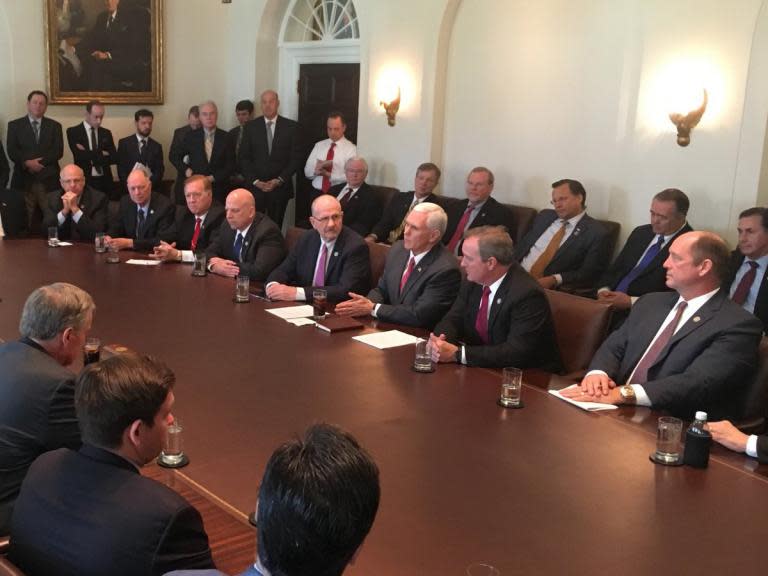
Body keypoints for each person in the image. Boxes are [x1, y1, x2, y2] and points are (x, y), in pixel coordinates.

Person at [8, 354, 216, 575]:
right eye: (165, 415)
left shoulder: (44, 466)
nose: (172, 420)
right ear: (137, 432)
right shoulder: (168, 516)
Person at [562, 231, 763, 420]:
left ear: (704, 267)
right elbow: (614, 346)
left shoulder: (738, 324)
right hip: (611, 409)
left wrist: (623, 394)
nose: (666, 264)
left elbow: (698, 383)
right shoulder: (650, 302)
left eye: (676, 258)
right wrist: (598, 374)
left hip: (669, 422)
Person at [0, 282, 94, 535]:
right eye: (85, 332)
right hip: (9, 511)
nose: (85, 341)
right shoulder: (58, 384)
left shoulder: (4, 351)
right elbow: (90, 451)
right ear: (68, 336)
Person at [430, 226, 561, 370]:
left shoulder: (527, 294)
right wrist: (440, 343)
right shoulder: (473, 280)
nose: (462, 263)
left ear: (491, 263)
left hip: (528, 376)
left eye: (468, 258)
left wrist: (458, 354)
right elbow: (452, 319)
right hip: (484, 366)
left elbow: (516, 352)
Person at [336, 202, 461, 329]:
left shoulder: (445, 269)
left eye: (415, 228)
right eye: (407, 224)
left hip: (417, 335)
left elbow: (419, 315)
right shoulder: (398, 249)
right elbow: (382, 290)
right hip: (388, 325)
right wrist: (362, 304)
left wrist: (372, 308)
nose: (406, 232)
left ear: (433, 236)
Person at [596, 188, 691, 314]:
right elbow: (616, 269)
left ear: (681, 217)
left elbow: (676, 296)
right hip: (606, 303)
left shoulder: (690, 245)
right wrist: (603, 290)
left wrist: (631, 301)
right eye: (652, 213)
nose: (654, 221)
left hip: (645, 312)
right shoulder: (641, 233)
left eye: (662, 217)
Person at [266, 195, 370, 303]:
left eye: (335, 217)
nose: (331, 224)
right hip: (304, 306)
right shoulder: (307, 239)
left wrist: (297, 293)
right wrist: (273, 286)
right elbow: (284, 270)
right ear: (313, 222)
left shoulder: (355, 246)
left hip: (335, 309)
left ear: (342, 216)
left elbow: (345, 290)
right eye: (325, 218)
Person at [514, 178, 611, 291]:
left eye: (562, 199)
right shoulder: (544, 216)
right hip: (514, 275)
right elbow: (522, 247)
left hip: (542, 286)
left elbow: (588, 273)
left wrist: (555, 279)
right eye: (554, 201)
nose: (557, 205)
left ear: (579, 198)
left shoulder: (596, 232)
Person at [6, 90, 64, 230]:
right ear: (28, 104)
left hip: (49, 180)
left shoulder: (55, 126)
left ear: (46, 106)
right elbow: (12, 151)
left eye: (42, 103)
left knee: (53, 221)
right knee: (22, 221)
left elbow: (58, 151)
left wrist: (39, 163)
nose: (38, 106)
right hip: (23, 180)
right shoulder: (14, 125)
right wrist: (27, 163)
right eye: (35, 102)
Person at [240, 90, 299, 227]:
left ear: (277, 103)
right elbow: (244, 158)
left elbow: (295, 158)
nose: (267, 105)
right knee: (253, 227)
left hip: (279, 189)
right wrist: (255, 181)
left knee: (275, 227)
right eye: (264, 102)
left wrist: (279, 180)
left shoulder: (291, 127)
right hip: (255, 188)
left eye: (271, 101)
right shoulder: (250, 127)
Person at [205, 188, 286, 281]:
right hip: (231, 284)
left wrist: (224, 267)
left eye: (235, 210)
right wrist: (214, 266)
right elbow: (208, 252)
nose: (228, 216)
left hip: (256, 288)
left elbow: (260, 271)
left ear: (251, 212)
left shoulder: (268, 232)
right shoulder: (227, 225)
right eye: (227, 210)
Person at [79, 0, 151, 92]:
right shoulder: (102, 17)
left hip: (124, 61)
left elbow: (132, 47)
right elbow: (91, 39)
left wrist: (108, 55)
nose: (109, 2)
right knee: (86, 62)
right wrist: (74, 48)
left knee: (98, 69)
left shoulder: (129, 18)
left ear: (118, 1)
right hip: (104, 61)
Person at [172, 101, 235, 204]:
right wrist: (186, 169)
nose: (209, 117)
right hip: (196, 189)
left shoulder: (227, 137)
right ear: (200, 117)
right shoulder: (191, 136)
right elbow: (174, 155)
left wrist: (212, 178)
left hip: (219, 189)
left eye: (212, 113)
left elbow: (231, 165)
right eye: (205, 114)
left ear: (217, 115)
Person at [151, 175, 225, 263]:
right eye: (188, 195)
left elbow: (210, 253)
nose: (191, 200)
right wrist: (164, 248)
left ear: (209, 194)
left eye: (196, 195)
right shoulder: (183, 213)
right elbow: (166, 238)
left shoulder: (220, 216)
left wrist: (178, 255)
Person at [441, 167, 514, 254]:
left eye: (479, 184)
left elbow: (500, 251)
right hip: (443, 257)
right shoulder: (454, 206)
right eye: (470, 183)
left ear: (490, 187)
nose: (473, 188)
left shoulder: (501, 214)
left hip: (468, 261)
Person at [366, 163, 442, 245]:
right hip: (384, 242)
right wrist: (373, 236)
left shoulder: (435, 208)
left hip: (406, 247)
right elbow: (385, 222)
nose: (423, 183)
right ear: (415, 179)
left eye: (429, 180)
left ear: (436, 184)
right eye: (421, 178)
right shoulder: (400, 197)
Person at [106, 168, 175, 252]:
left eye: (141, 187)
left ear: (149, 186)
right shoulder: (126, 202)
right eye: (133, 188)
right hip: (129, 256)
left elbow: (162, 241)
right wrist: (109, 237)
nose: (137, 192)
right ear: (128, 188)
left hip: (152, 255)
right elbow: (116, 227)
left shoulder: (165, 206)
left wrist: (130, 243)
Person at [724, 207, 768, 328]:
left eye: (750, 232)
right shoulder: (729, 259)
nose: (742, 239)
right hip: (721, 326)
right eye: (740, 231)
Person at [42, 164, 108, 242]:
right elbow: (45, 231)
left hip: (87, 248)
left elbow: (98, 234)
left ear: (83, 181)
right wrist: (64, 212)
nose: (72, 185)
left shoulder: (98, 198)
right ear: (61, 183)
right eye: (68, 181)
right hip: (62, 249)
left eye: (76, 180)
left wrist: (75, 210)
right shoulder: (52, 198)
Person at [66, 100, 116, 198]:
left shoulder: (106, 133)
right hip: (84, 180)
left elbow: (114, 157)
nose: (99, 121)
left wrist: (88, 153)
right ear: (87, 114)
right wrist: (101, 153)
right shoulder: (73, 132)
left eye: (101, 117)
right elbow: (79, 156)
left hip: (105, 180)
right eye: (96, 117)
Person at [303, 112, 357, 198]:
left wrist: (329, 175)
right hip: (317, 193)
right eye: (329, 129)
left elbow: (351, 176)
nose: (332, 132)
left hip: (338, 193)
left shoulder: (351, 149)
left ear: (344, 128)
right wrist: (316, 170)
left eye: (336, 129)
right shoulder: (319, 145)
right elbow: (307, 172)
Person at [327, 157, 383, 237]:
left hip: (345, 235)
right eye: (351, 170)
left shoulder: (372, 197)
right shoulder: (333, 190)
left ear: (366, 173)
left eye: (359, 171)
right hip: (324, 229)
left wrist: (336, 231)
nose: (354, 174)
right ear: (345, 172)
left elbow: (363, 226)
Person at [117, 109, 165, 199]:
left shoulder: (157, 146)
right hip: (129, 192)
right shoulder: (124, 144)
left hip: (151, 192)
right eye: (143, 123)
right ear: (136, 123)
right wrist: (131, 187)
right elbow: (121, 170)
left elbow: (160, 171)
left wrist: (147, 187)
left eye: (150, 123)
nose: (147, 126)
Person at [170, 106, 201, 204]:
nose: (195, 128)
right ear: (188, 119)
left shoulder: (207, 133)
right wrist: (185, 169)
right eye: (193, 124)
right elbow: (173, 156)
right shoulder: (179, 133)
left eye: (198, 125)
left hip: (201, 176)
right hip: (183, 175)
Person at [228, 99, 254, 177]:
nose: (240, 117)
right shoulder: (232, 133)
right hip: (233, 175)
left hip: (251, 176)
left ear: (251, 114)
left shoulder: (257, 133)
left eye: (244, 114)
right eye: (238, 114)